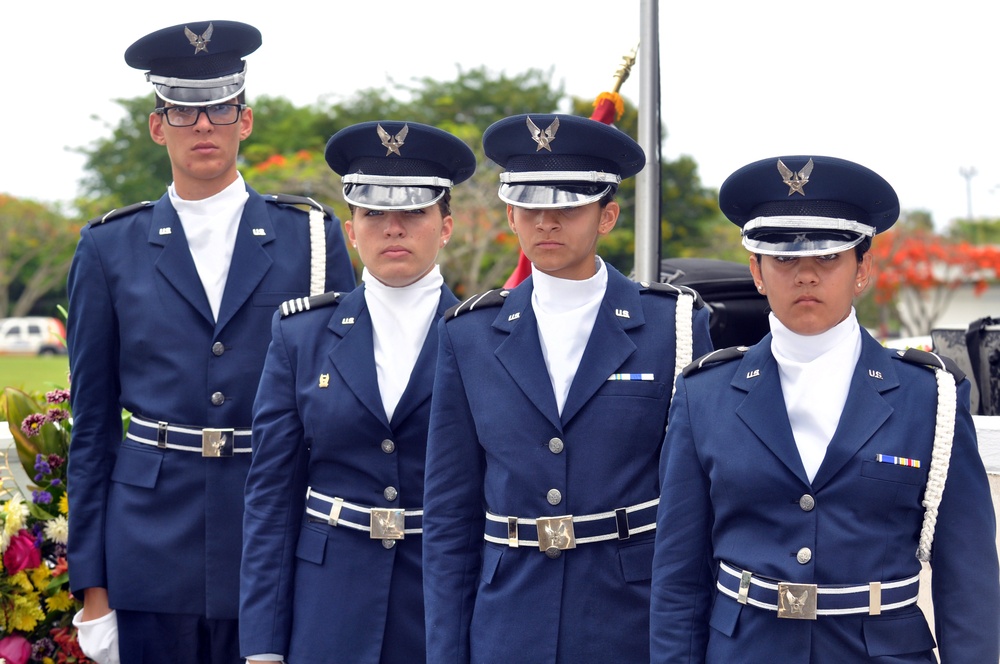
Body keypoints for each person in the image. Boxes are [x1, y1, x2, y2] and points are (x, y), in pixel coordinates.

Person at [66, 20, 356, 664]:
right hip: (148, 546)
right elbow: (91, 425)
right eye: (183, 111)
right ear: (157, 125)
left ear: (244, 120)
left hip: (271, 533)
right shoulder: (109, 247)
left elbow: (338, 405)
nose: (203, 126)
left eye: (219, 108)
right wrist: (92, 585)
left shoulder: (308, 237)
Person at [649, 155, 1000, 663]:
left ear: (863, 270)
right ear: (758, 271)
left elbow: (967, 578)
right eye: (784, 258)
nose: (806, 275)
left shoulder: (930, 397)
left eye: (829, 257)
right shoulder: (705, 395)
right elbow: (679, 578)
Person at [421, 113, 714, 662]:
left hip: (627, 619)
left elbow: (692, 508)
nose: (547, 221)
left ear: (607, 216)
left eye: (569, 205)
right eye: (531, 205)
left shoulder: (672, 326)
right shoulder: (470, 334)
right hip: (508, 622)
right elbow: (449, 513)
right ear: (510, 212)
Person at [240, 120, 476, 664]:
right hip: (327, 608)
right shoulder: (301, 334)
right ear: (351, 230)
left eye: (414, 212)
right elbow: (271, 497)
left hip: (441, 607)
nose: (393, 228)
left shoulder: (486, 335)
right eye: (373, 214)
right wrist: (262, 645)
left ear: (445, 227)